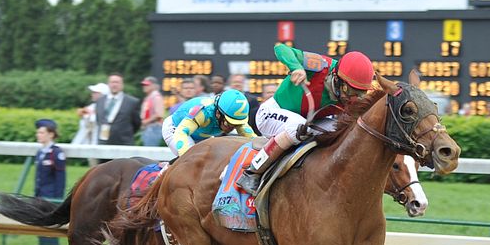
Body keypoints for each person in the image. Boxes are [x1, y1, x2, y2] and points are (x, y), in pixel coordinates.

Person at [235, 45, 375, 195]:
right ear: (337, 78)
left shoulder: (348, 93)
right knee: (298, 126)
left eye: (360, 93)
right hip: (271, 114)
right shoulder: (319, 65)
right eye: (350, 91)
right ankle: (252, 172)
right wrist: (296, 67)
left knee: (343, 131)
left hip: (309, 121)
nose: (353, 98)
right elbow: (280, 48)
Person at [161, 88, 256, 157]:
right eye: (229, 123)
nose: (232, 128)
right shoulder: (203, 112)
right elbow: (181, 132)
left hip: (200, 135)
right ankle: (162, 175)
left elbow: (253, 140)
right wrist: (187, 158)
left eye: (236, 125)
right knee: (193, 159)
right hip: (176, 129)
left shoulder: (234, 115)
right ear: (218, 113)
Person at [34, 119, 66, 245]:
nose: (38, 135)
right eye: (38, 132)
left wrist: (56, 202)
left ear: (51, 134)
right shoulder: (40, 152)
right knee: (42, 236)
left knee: (51, 237)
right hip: (40, 200)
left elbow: (60, 181)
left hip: (51, 201)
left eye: (42, 132)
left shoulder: (56, 153)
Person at [95, 73, 141, 146]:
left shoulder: (132, 102)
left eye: (117, 82)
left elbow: (137, 123)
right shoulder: (100, 101)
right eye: (112, 82)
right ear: (108, 84)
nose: (114, 85)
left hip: (124, 143)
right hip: (103, 143)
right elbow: (98, 120)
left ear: (122, 84)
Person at [71, 82, 109, 166]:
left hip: (102, 142)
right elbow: (80, 112)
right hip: (91, 142)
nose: (92, 94)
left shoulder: (108, 107)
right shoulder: (92, 106)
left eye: (96, 93)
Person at [140, 76, 165, 146]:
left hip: (154, 129)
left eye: (147, 85)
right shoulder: (149, 97)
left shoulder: (156, 97)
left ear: (154, 86)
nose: (144, 86)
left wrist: (145, 122)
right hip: (149, 128)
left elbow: (159, 114)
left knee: (150, 154)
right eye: (144, 85)